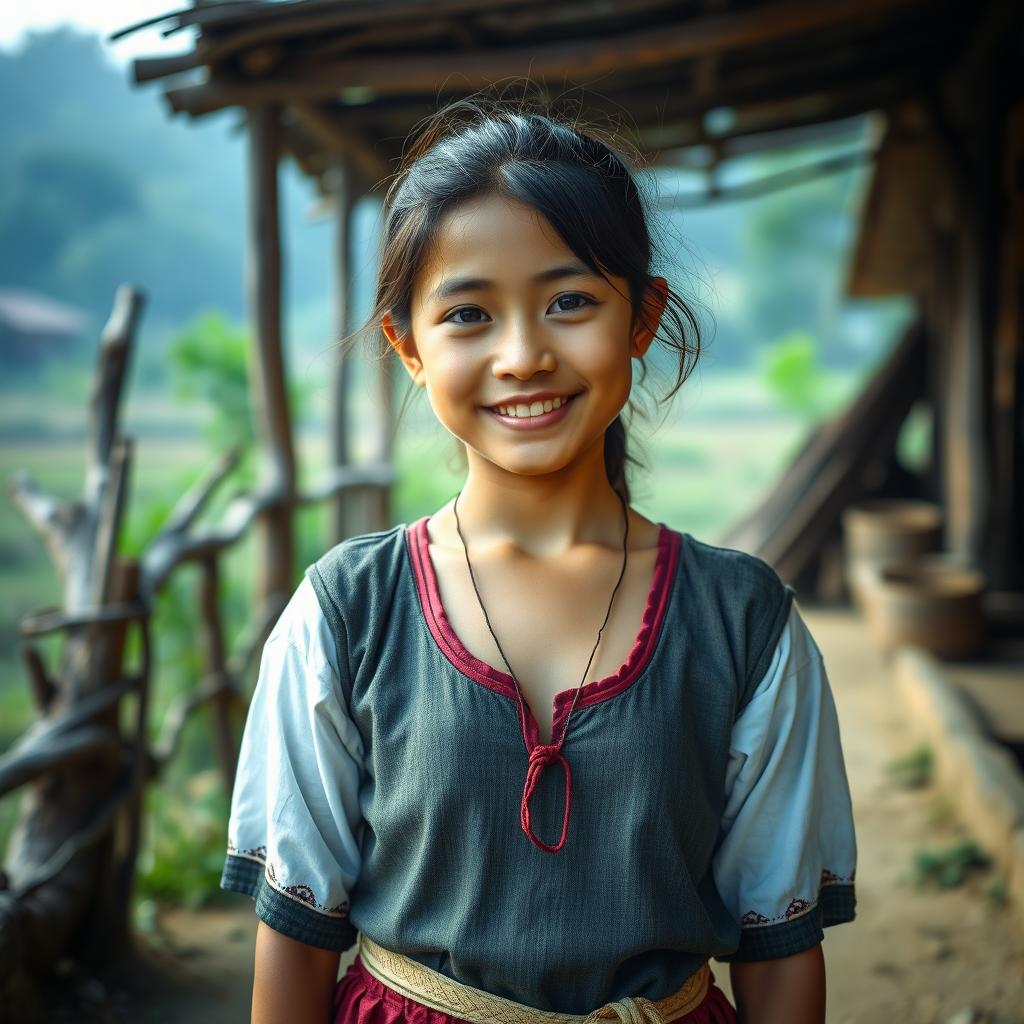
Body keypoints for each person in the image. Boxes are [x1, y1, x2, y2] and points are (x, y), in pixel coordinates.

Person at [220, 90, 857, 1024]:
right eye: (469, 315)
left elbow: (781, 953)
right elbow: (294, 954)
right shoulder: (346, 614)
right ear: (408, 347)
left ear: (642, 319)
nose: (522, 356)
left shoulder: (744, 622)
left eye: (569, 302)